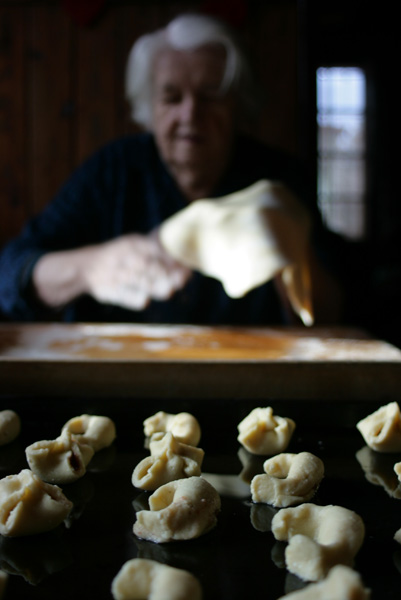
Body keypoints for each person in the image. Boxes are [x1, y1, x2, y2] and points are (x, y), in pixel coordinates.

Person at [0, 13, 344, 325]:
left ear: (237, 105)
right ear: (148, 108)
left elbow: (345, 309)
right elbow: (10, 274)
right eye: (171, 97)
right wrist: (90, 269)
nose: (190, 115)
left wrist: (298, 260)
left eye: (210, 95)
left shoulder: (279, 179)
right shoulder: (112, 173)